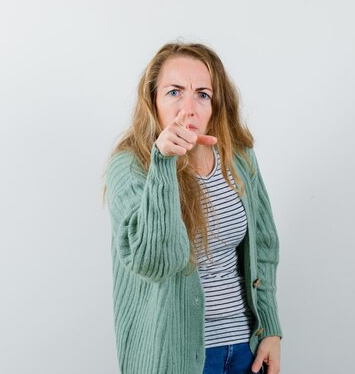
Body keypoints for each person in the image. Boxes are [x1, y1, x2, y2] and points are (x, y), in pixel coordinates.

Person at [103, 42, 283, 374]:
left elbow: (264, 246)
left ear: (216, 104)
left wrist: (270, 328)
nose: (189, 107)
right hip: (176, 356)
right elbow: (154, 261)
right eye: (174, 92)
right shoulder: (130, 167)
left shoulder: (239, 157)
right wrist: (163, 163)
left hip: (247, 349)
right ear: (153, 101)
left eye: (202, 94)